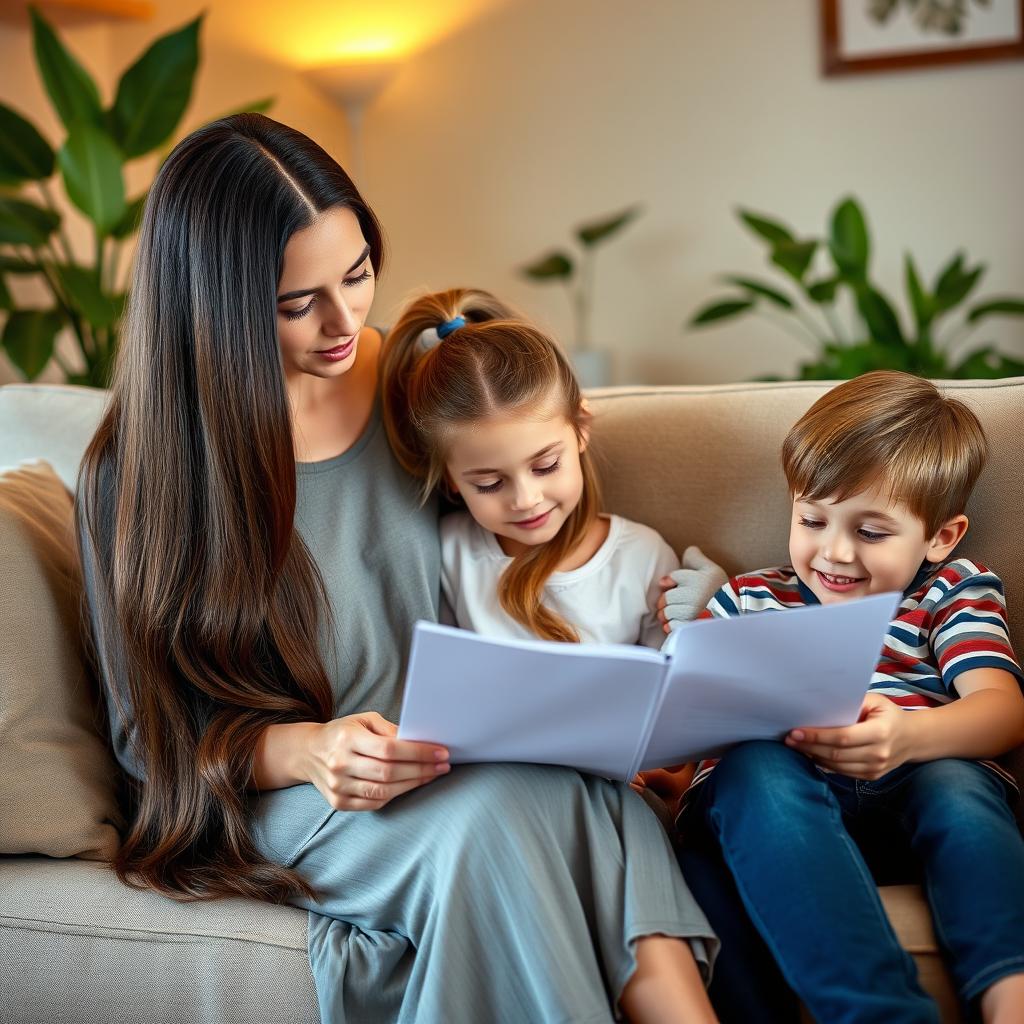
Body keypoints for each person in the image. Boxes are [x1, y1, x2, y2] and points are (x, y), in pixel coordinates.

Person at [76, 113, 720, 1024]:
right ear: (212, 308)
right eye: (299, 303)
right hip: (286, 795)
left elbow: (535, 530)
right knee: (503, 821)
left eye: (357, 275)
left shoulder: (417, 392)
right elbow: (148, 740)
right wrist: (309, 749)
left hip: (465, 757)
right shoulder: (136, 474)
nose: (345, 323)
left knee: (573, 797)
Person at [660, 371, 1024, 1024]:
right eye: (812, 518)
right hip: (773, 815)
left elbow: (1002, 711)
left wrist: (908, 736)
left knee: (957, 789)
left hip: (914, 785)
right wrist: (683, 749)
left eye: (872, 532)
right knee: (753, 767)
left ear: (939, 537)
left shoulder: (952, 592)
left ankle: (1011, 1002)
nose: (834, 551)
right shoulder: (748, 598)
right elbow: (688, 715)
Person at [380, 287, 725, 651]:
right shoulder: (449, 553)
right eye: (489, 483)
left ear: (581, 428)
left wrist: (710, 617)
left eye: (546, 466)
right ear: (450, 478)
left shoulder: (642, 557)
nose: (526, 500)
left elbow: (677, 680)